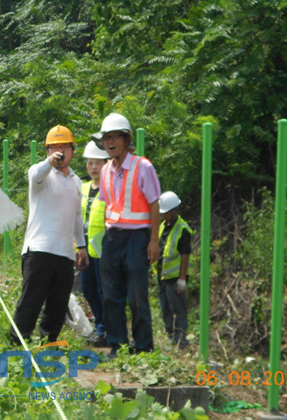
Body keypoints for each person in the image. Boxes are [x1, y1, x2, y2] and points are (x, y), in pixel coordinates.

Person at [10, 125, 89, 345]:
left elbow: (76, 217)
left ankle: (48, 344)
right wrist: (49, 163)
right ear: (47, 151)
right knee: (31, 301)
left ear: (73, 150)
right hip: (39, 250)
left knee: (58, 303)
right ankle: (18, 343)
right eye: (55, 147)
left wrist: (81, 246)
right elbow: (37, 174)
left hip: (65, 252)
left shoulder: (77, 183)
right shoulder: (40, 174)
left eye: (64, 147)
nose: (60, 152)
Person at [96, 113, 161, 359]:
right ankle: (118, 344)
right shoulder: (104, 170)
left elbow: (154, 204)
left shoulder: (142, 166)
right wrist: (106, 236)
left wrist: (154, 240)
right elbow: (106, 206)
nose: (110, 142)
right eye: (106, 138)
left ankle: (143, 347)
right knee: (111, 295)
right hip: (112, 238)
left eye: (115, 137)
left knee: (137, 295)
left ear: (126, 140)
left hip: (137, 239)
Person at [81, 141, 110, 347]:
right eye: (90, 163)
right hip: (85, 249)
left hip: (104, 249)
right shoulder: (83, 188)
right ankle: (100, 324)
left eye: (97, 163)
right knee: (88, 290)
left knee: (104, 291)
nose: (93, 167)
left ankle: (104, 329)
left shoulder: (111, 187)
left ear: (106, 164)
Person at [156, 191, 192, 348]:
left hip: (175, 278)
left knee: (178, 309)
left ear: (174, 211)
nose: (163, 216)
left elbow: (185, 255)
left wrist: (182, 279)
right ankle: (171, 337)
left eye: (166, 213)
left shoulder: (183, 229)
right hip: (162, 276)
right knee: (166, 310)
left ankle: (181, 340)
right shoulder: (163, 226)